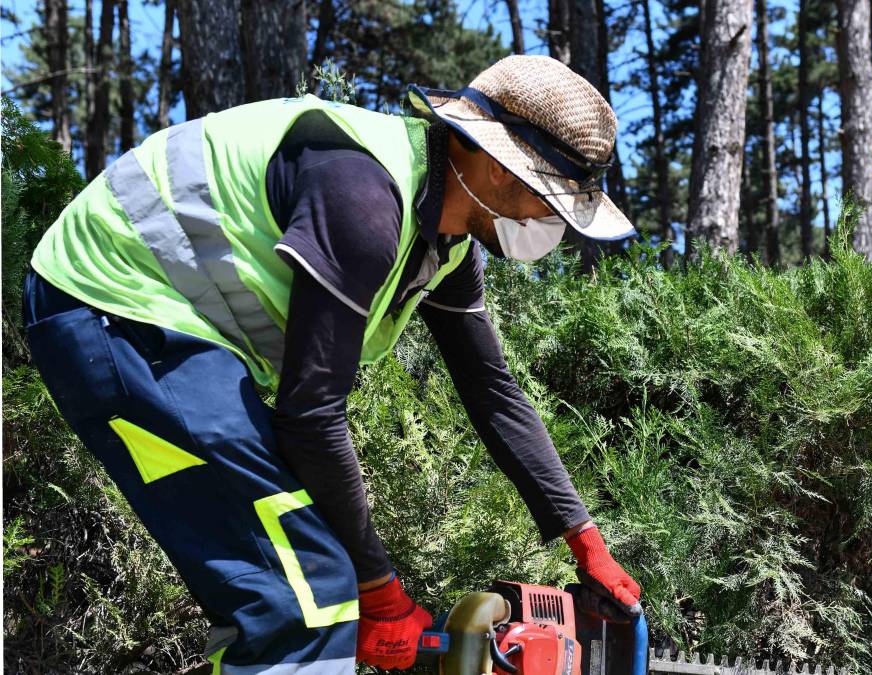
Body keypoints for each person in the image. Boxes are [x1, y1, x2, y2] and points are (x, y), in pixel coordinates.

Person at [22, 55, 641, 673]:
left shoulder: (445, 245)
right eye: (549, 196)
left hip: (167, 332)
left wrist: (581, 537)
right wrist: (379, 591)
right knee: (308, 593)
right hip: (112, 309)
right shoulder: (363, 201)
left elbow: (493, 391)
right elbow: (312, 415)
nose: (549, 219)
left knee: (297, 581)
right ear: (489, 159)